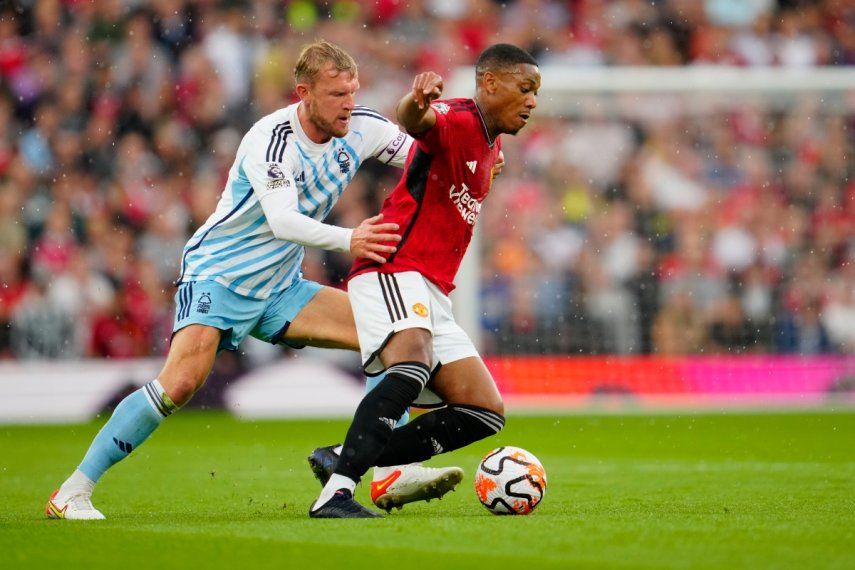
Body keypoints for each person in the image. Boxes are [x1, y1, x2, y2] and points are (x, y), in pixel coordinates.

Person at [45, 40, 463, 520]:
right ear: (303, 93)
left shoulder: (363, 126)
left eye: (352, 91)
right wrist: (351, 237)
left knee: (391, 338)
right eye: (335, 94)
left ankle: (387, 471)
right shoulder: (272, 140)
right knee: (179, 384)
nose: (348, 102)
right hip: (220, 277)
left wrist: (473, 156)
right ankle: (72, 491)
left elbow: (428, 154)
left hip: (280, 289)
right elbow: (283, 221)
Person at [308, 43, 541, 518]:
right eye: (525, 88)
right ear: (490, 83)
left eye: (536, 91)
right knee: (412, 365)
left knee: (484, 409)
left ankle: (345, 455)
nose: (533, 101)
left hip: (432, 289)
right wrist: (417, 100)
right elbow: (416, 121)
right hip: (394, 268)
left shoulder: (490, 145)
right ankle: (335, 494)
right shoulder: (457, 120)